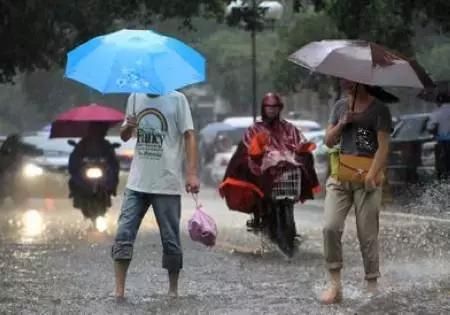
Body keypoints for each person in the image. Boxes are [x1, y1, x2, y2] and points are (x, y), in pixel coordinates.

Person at [111, 92, 200, 301]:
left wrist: (192, 172)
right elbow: (124, 136)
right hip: (137, 182)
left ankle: (173, 290)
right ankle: (119, 291)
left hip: (166, 183)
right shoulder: (134, 97)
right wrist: (128, 125)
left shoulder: (178, 99)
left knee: (170, 239)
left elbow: (189, 135)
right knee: (123, 232)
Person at [320, 80, 393, 304]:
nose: (343, 83)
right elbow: (328, 140)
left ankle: (372, 284)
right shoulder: (340, 106)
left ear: (361, 82)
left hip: (368, 180)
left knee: (367, 234)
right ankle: (335, 284)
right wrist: (342, 123)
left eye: (348, 81)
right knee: (330, 227)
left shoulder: (379, 110)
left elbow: (383, 146)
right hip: (340, 177)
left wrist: (372, 174)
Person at [220, 93, 319, 227]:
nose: (272, 109)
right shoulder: (255, 128)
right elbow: (246, 149)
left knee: (305, 160)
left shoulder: (289, 128)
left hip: (286, 177)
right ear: (264, 108)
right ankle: (258, 214)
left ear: (280, 108)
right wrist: (257, 155)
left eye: (275, 107)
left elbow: (300, 143)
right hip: (262, 175)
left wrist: (300, 151)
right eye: (268, 107)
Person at [68, 123, 119, 199]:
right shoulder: (83, 143)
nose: (96, 132)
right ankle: (74, 191)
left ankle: (112, 190)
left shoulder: (105, 144)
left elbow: (112, 159)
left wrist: (109, 161)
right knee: (74, 177)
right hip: (86, 167)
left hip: (102, 167)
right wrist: (79, 160)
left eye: (98, 130)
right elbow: (75, 157)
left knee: (112, 174)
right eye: (94, 130)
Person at [426, 83, 450, 181]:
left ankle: (444, 184)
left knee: (444, 166)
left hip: (443, 143)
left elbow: (431, 128)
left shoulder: (437, 113)